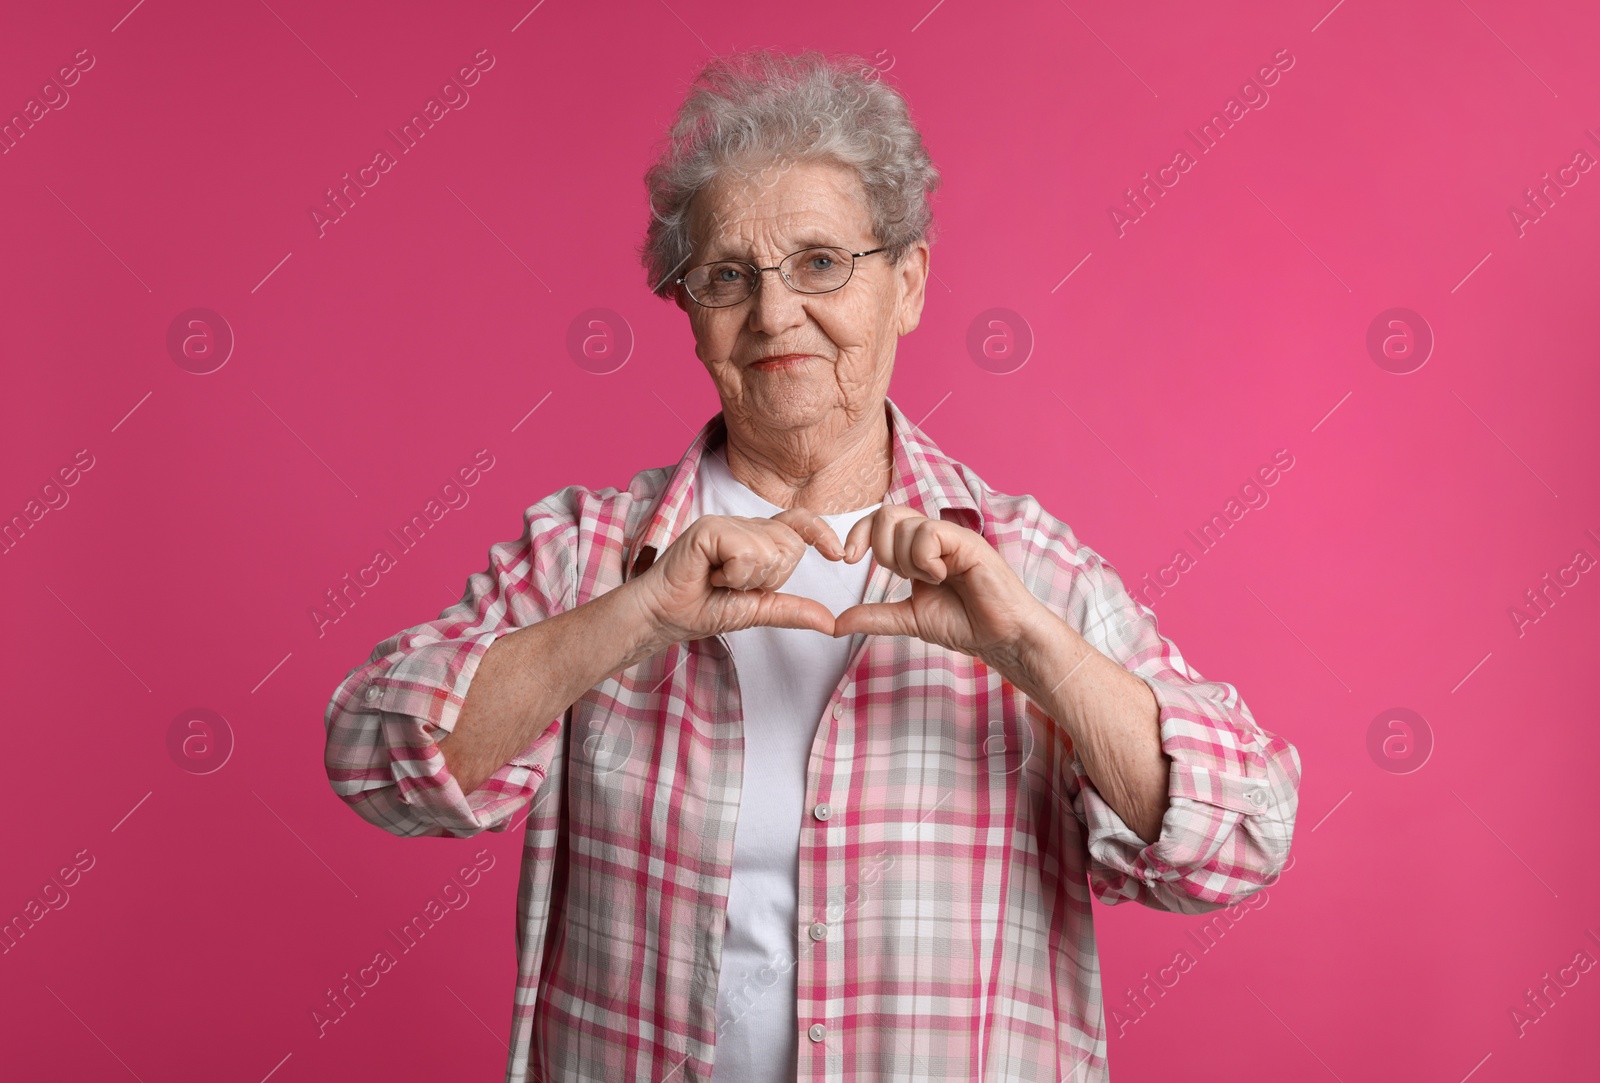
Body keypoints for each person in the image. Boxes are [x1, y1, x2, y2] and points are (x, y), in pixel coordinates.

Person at [323, 47, 1301, 1083]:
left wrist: (1028, 647)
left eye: (821, 263)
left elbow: (1235, 841)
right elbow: (378, 762)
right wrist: (636, 615)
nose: (775, 314)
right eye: (728, 276)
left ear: (908, 284)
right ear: (689, 309)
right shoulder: (585, 552)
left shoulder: (1026, 571)